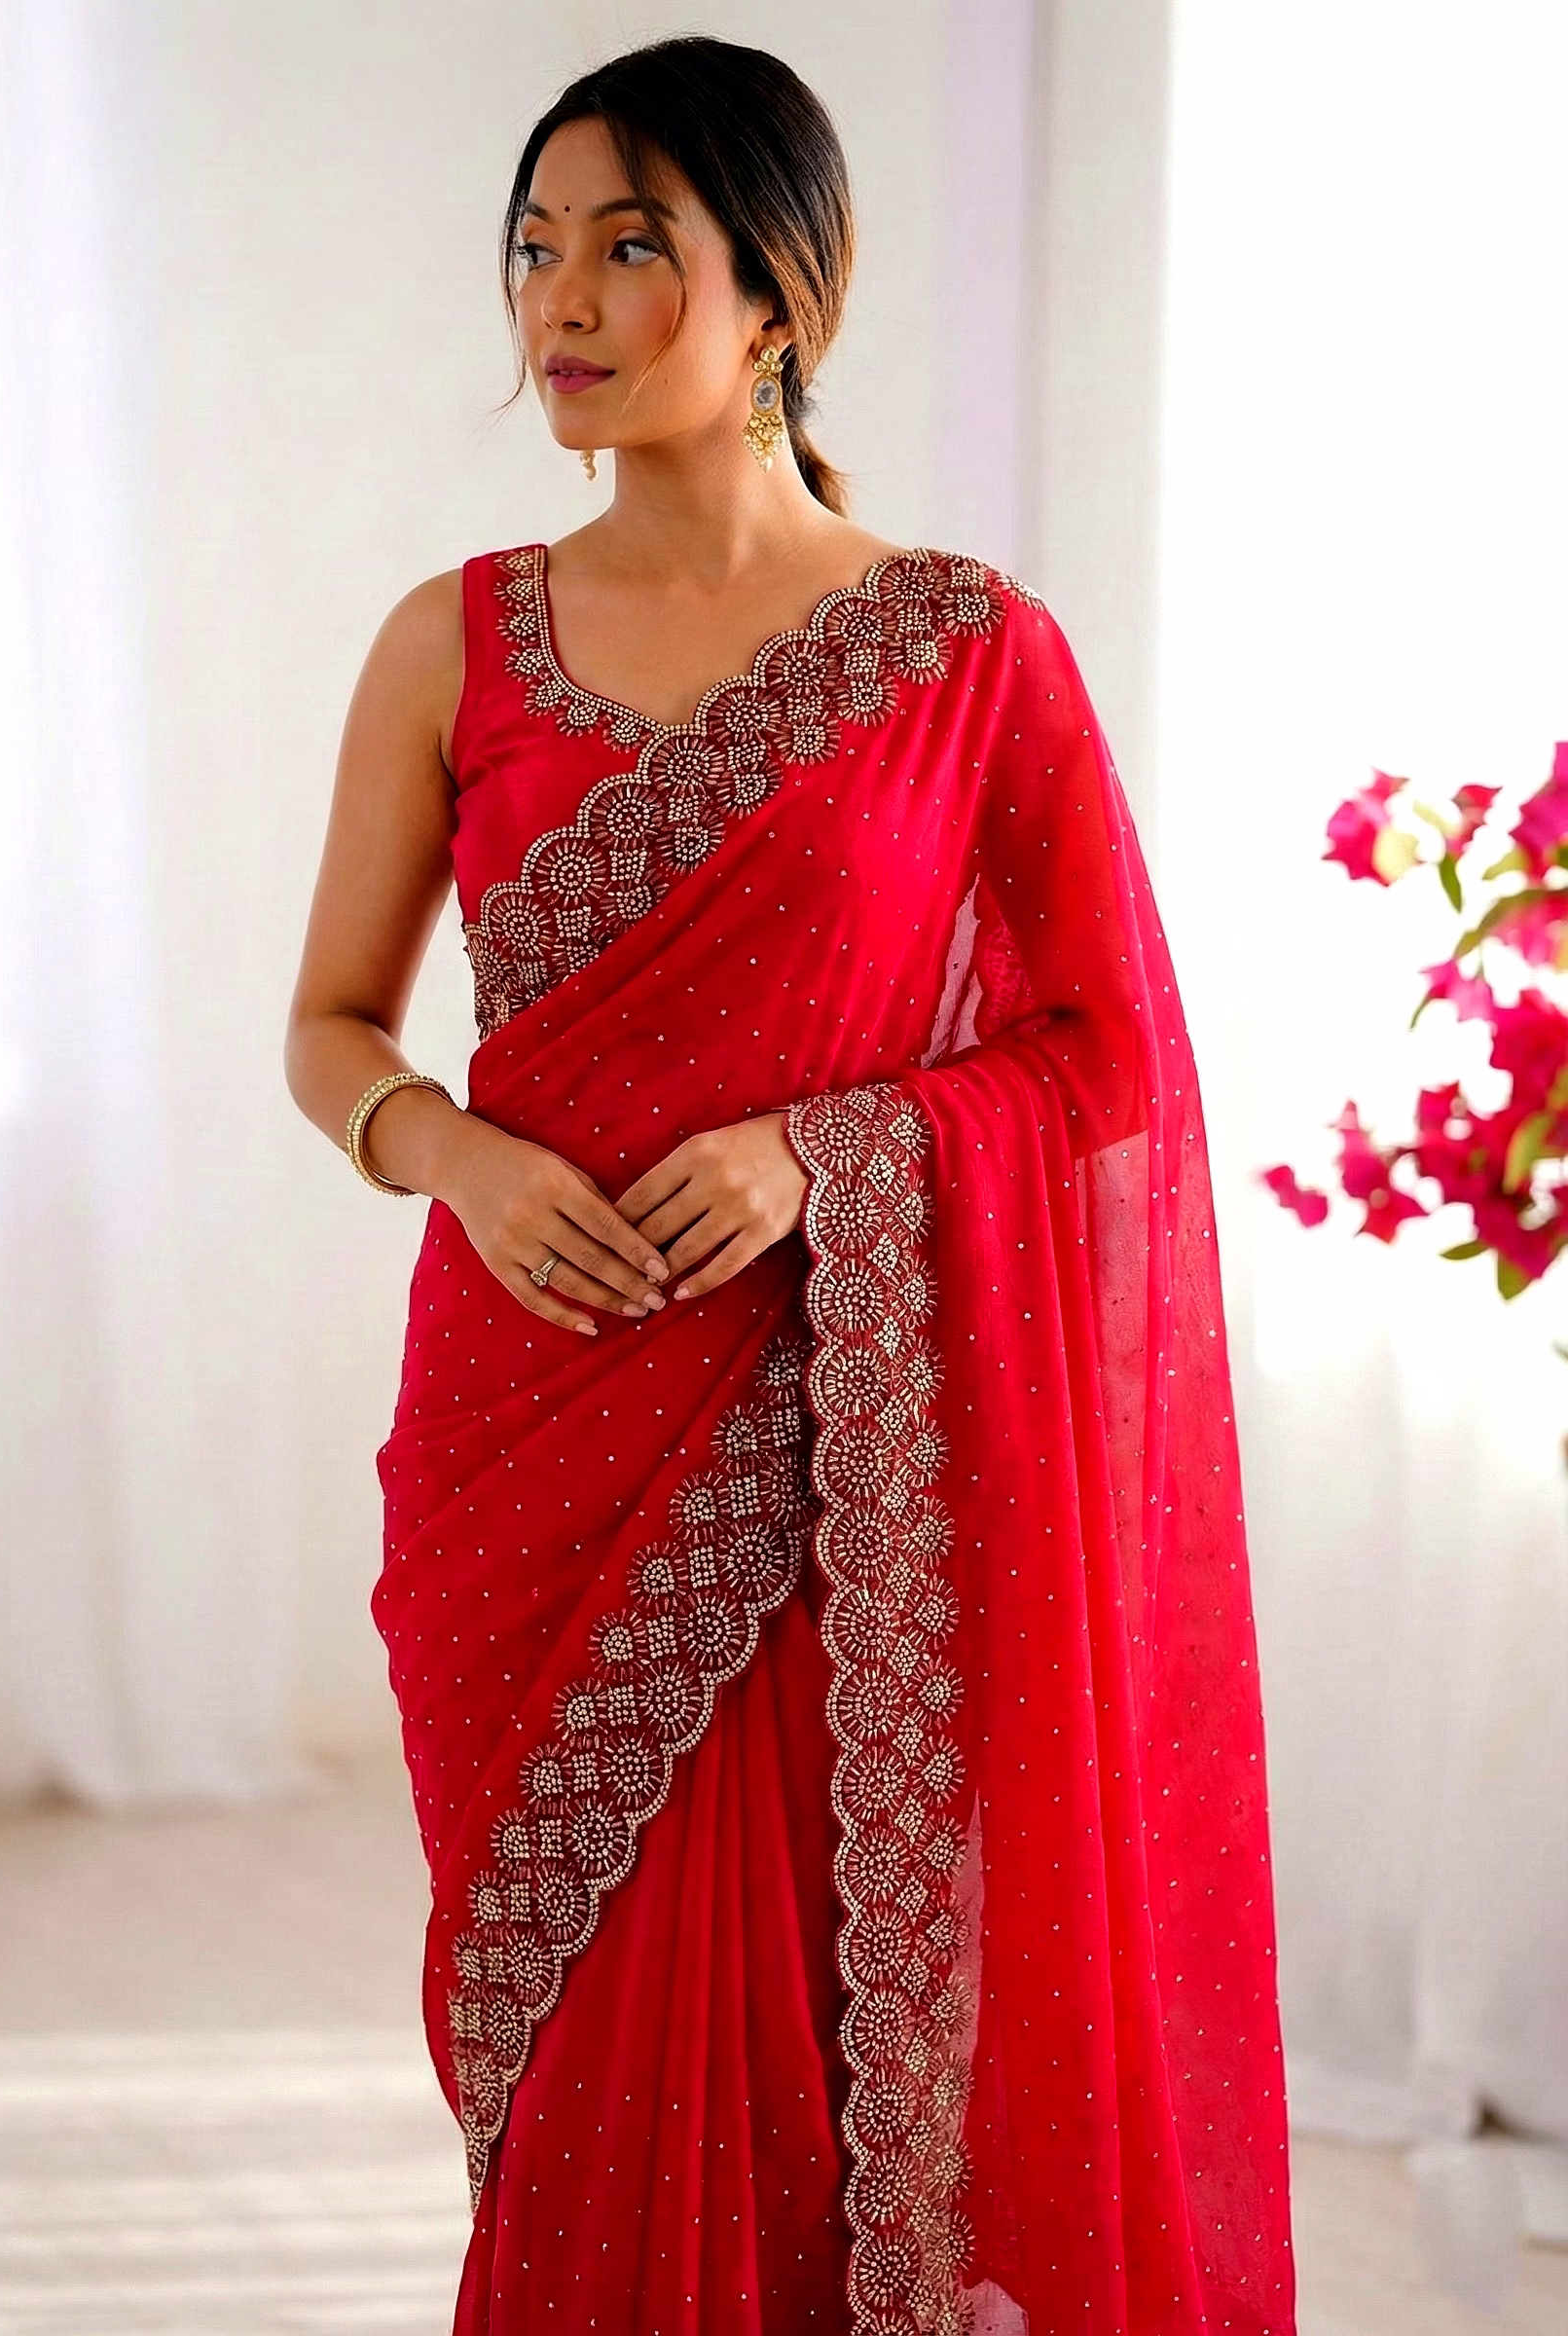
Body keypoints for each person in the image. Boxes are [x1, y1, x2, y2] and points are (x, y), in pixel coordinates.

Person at [284, 35, 1295, 2336]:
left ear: (779, 296)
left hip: (838, 1451)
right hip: (526, 1424)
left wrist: (817, 1155)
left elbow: (1108, 1054)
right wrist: (454, 1156)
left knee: (823, 2059)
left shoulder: (965, 654)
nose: (561, 298)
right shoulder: (451, 641)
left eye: (632, 245)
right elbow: (329, 1025)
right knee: (573, 2055)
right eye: (534, 246)